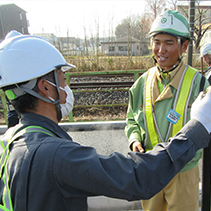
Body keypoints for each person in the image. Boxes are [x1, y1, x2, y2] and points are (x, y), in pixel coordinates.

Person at [0, 31, 210, 211]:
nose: (66, 90)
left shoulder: (9, 141)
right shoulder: (54, 155)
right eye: (62, 79)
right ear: (46, 88)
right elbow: (138, 177)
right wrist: (198, 126)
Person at [125, 10, 210, 211]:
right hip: (151, 168)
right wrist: (135, 139)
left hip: (184, 171)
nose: (161, 49)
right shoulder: (141, 84)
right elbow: (131, 120)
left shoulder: (199, 84)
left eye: (169, 43)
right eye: (157, 42)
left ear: (184, 46)